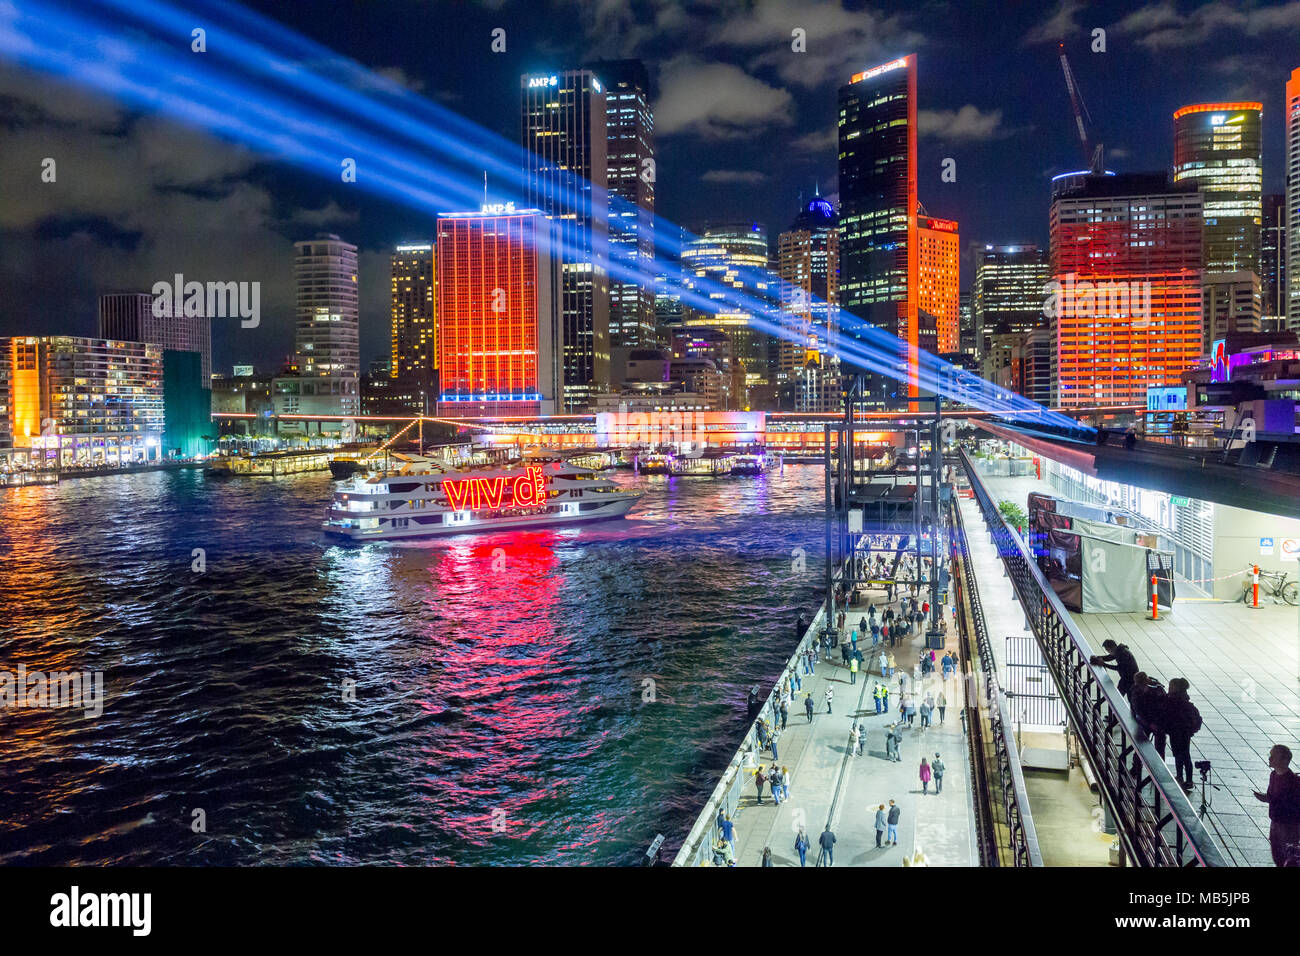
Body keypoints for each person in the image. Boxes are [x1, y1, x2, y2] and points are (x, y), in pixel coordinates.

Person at [1253, 744, 1300, 867]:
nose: (1270, 759)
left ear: (1284, 761)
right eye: (1270, 756)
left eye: (1273, 756)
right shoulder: (1273, 775)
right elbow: (1271, 796)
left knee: (1289, 857)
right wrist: (1264, 797)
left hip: (1288, 825)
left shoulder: (1293, 781)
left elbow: (1291, 804)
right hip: (1275, 822)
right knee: (1277, 855)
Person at [1162, 677, 1201, 792]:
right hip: (1184, 732)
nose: (1169, 688)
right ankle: (1186, 779)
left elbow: (1168, 712)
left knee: (1180, 755)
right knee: (1184, 755)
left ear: (1175, 688)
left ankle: (1182, 777)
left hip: (1177, 731)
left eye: (1170, 686)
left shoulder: (1174, 700)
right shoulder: (1183, 699)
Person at [1129, 672, 1167, 759]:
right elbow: (1138, 709)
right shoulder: (1137, 691)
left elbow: (1163, 703)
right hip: (1147, 721)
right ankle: (1137, 767)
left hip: (1155, 721)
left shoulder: (1157, 687)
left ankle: (1138, 767)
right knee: (1142, 746)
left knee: (1157, 747)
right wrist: (1150, 723)